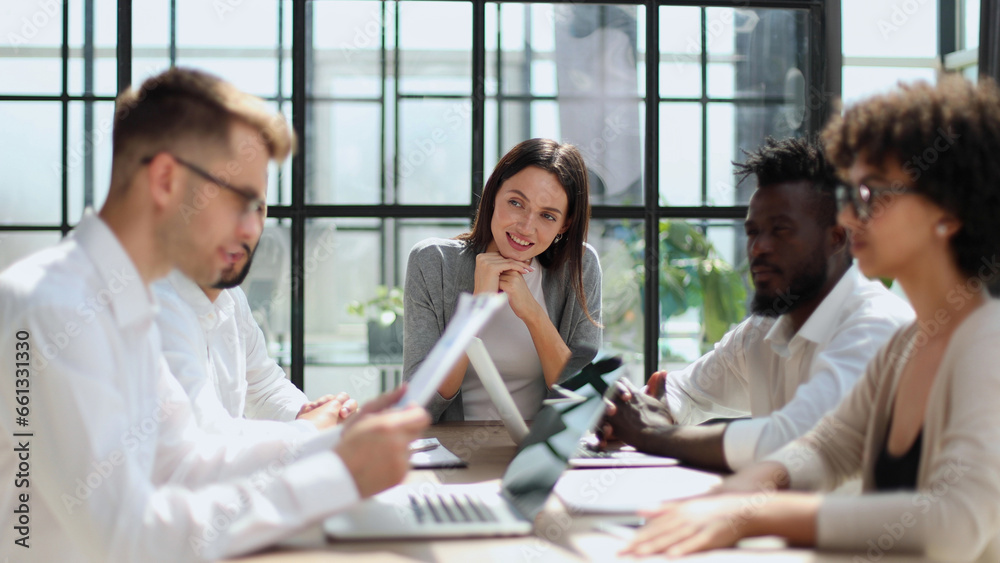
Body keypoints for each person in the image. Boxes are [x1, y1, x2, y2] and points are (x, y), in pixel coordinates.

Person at [0, 67, 428, 563]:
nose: (252, 229)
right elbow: (125, 537)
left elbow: (184, 463)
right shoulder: (52, 307)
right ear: (165, 180)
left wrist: (339, 443)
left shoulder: (126, 301)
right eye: (240, 200)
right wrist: (336, 476)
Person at [620, 75, 1000, 562]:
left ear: (948, 210)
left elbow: (954, 524)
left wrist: (753, 515)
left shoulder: (987, 344)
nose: (848, 218)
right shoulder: (906, 346)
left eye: (872, 194)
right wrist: (718, 502)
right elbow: (825, 449)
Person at [604, 137, 913, 471]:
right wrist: (634, 409)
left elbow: (803, 443)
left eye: (781, 230)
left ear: (836, 238)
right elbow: (688, 392)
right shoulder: (764, 331)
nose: (758, 247)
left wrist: (652, 433)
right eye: (753, 232)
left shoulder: (877, 326)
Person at [404, 138, 602, 423]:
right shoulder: (433, 262)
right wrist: (475, 311)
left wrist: (533, 314)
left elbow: (585, 402)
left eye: (547, 216)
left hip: (540, 446)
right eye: (516, 203)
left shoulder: (579, 267)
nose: (526, 227)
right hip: (456, 446)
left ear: (565, 224)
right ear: (493, 194)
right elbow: (418, 407)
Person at [154, 245, 358, 436]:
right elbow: (201, 436)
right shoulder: (155, 306)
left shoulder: (232, 297)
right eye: (231, 218)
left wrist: (305, 412)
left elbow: (264, 387)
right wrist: (306, 429)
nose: (248, 229)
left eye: (260, 218)